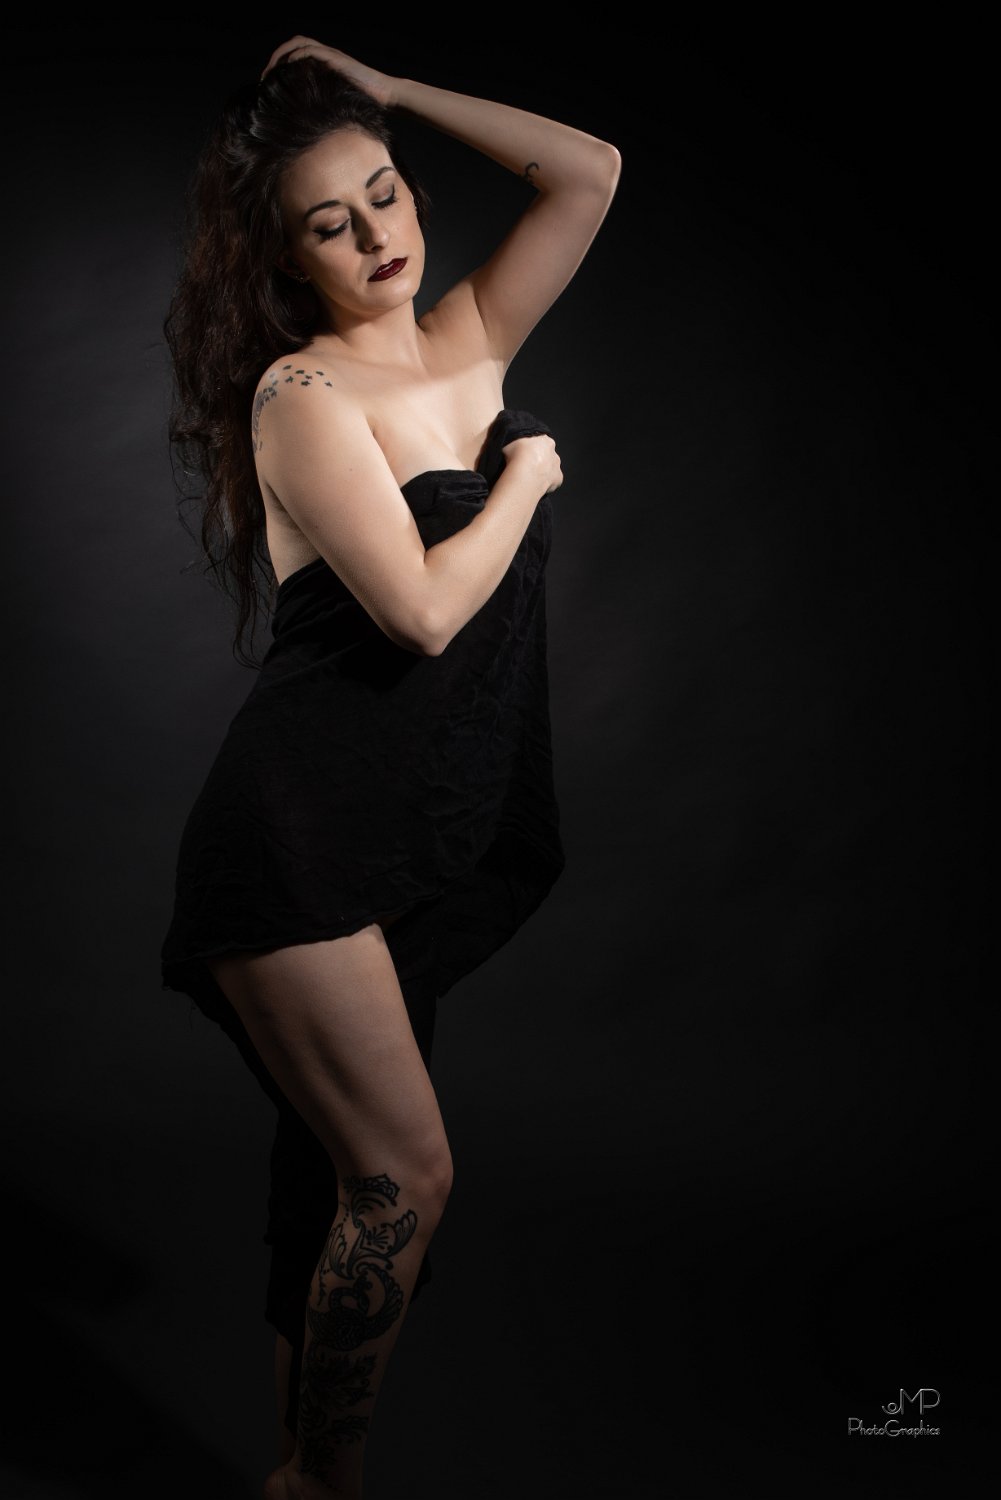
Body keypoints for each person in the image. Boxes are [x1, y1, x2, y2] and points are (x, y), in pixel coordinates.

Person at [159, 34, 620, 1500]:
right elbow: (421, 614)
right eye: (329, 222)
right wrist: (524, 475)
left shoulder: (471, 338)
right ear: (285, 258)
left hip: (390, 834)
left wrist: (392, 92)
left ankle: (304, 1478)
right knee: (402, 1176)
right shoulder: (303, 393)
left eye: (386, 193)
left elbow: (588, 172)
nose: (374, 237)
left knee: (332, 1181)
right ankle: (322, 1481)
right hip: (294, 833)